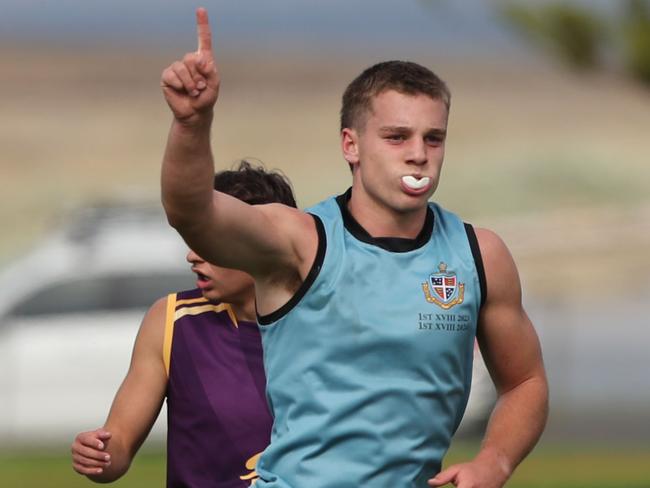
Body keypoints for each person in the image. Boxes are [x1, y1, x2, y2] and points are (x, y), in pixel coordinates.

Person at [160, 8, 549, 488]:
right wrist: (191, 125)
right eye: (396, 137)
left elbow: (525, 383)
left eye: (434, 138)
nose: (418, 153)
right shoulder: (300, 243)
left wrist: (495, 461)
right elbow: (193, 213)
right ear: (351, 145)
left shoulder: (479, 255)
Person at [70, 161, 297, 487]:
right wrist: (100, 453)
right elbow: (117, 445)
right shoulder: (172, 320)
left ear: (262, 242)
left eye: (210, 240)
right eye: (193, 239)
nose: (193, 255)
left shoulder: (328, 322)